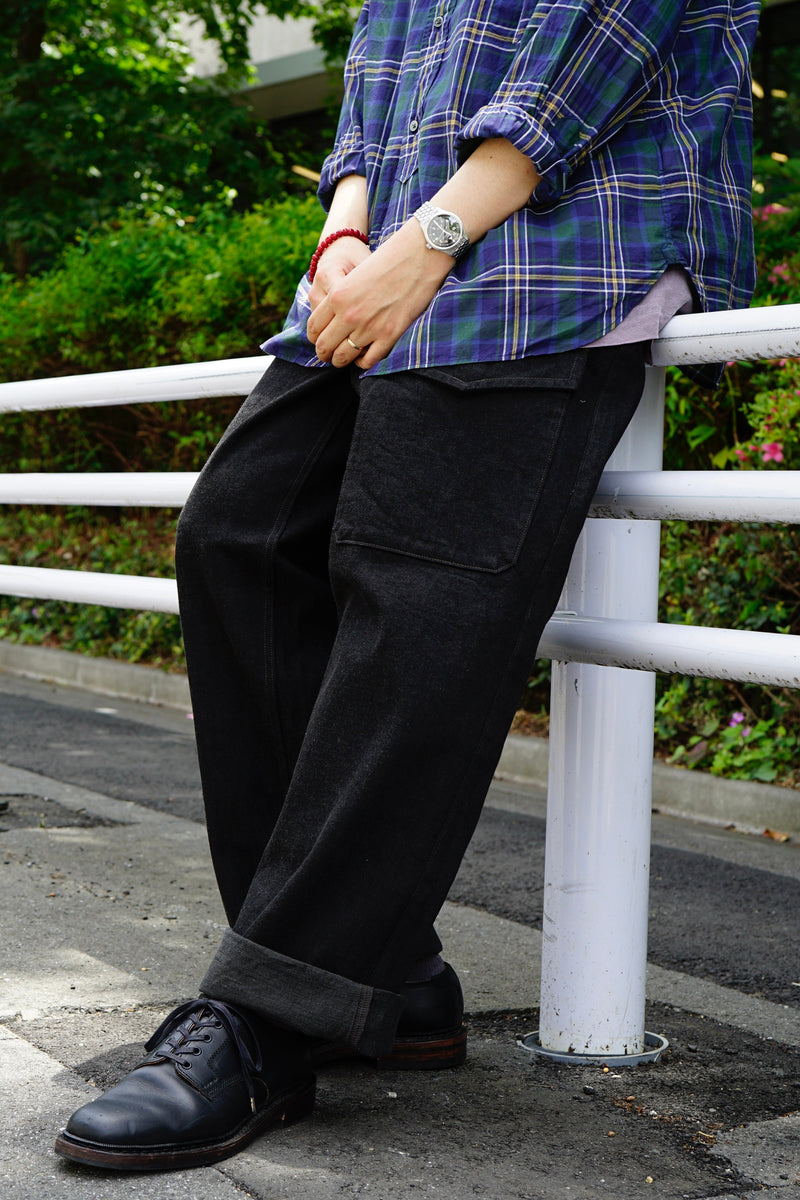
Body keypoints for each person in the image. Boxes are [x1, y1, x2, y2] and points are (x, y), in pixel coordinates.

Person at [55, 0, 759, 1172]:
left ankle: (273, 1014)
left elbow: (594, 45)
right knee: (240, 537)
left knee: (418, 590)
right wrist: (344, 236)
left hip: (553, 254)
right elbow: (383, 66)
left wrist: (427, 239)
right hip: (387, 267)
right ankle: (375, 971)